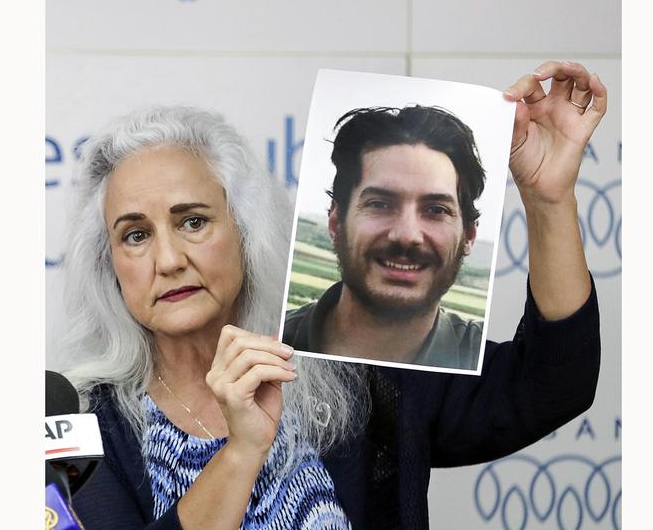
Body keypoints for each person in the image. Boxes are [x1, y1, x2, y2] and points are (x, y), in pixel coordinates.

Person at [55, 60, 605, 530]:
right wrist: (243, 453)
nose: (169, 259)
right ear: (109, 262)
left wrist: (548, 199)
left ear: (247, 232)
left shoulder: (356, 367)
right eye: (135, 235)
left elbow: (552, 384)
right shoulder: (78, 423)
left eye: (193, 222)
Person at [284, 104, 489, 369]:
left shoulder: (487, 360)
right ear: (336, 221)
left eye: (436, 210)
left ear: (469, 236)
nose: (406, 235)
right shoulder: (271, 342)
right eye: (380, 204)